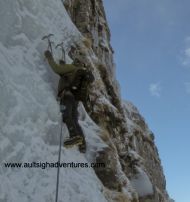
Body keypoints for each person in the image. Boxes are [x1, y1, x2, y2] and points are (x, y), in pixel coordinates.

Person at [44, 50, 94, 152]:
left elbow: (57, 69)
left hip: (67, 96)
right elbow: (66, 77)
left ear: (75, 61)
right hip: (75, 100)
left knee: (66, 116)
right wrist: (63, 65)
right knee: (74, 120)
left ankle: (73, 136)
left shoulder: (72, 68)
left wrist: (49, 57)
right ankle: (82, 146)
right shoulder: (80, 73)